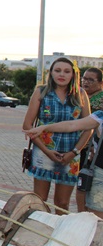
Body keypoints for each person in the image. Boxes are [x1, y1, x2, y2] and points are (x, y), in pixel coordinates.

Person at [22, 57, 91, 214]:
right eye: (57, 70)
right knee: (40, 200)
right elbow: (27, 125)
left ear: (73, 74)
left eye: (67, 71)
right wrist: (47, 151)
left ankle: (59, 228)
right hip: (44, 152)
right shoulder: (41, 92)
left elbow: (88, 127)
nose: (62, 74)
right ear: (51, 72)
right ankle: (40, 227)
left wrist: (74, 152)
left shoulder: (80, 94)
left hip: (70, 155)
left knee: (62, 203)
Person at [24, 110, 103, 219]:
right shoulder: (100, 116)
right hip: (101, 176)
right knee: (97, 220)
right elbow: (71, 125)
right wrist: (44, 128)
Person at [76, 67, 103, 211]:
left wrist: (94, 146)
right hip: (80, 146)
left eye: (90, 80)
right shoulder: (80, 95)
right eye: (84, 78)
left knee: (86, 183)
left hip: (93, 151)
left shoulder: (101, 100)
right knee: (82, 182)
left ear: (101, 83)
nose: (85, 82)